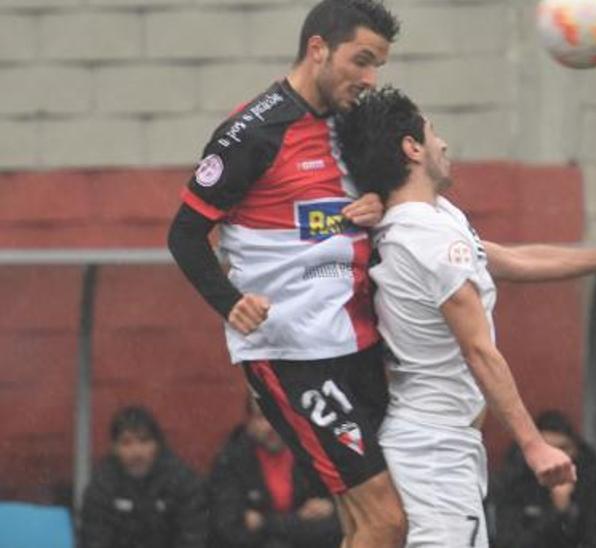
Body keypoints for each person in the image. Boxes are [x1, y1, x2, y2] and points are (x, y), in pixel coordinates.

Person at [332, 85, 596, 546]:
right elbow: (478, 349)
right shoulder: (429, 240)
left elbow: (509, 260)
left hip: (435, 443)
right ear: (411, 148)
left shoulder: (435, 220)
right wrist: (534, 443)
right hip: (432, 449)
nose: (444, 144)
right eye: (433, 133)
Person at [165, 1, 406, 546]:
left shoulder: (353, 125)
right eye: (361, 61)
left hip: (359, 345)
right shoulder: (254, 131)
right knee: (389, 522)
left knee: (368, 523)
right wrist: (229, 302)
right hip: (293, 352)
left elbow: (389, 195)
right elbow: (183, 234)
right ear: (317, 49)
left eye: (378, 67)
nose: (369, 79)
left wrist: (376, 202)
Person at [208, 396, 342, 547]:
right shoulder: (231, 461)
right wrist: (299, 522)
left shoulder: (313, 456)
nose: (271, 426)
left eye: (279, 417)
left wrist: (265, 523)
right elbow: (229, 530)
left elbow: (336, 527)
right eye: (262, 417)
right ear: (249, 421)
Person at [79, 406, 208, 548]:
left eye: (144, 441)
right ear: (114, 448)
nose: (137, 452)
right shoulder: (102, 486)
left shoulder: (182, 482)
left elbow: (193, 538)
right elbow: (94, 539)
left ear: (157, 445)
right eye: (126, 442)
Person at [491, 411, 596, 548]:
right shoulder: (515, 481)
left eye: (563, 448)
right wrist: (556, 511)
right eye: (548, 448)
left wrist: (568, 510)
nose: (556, 457)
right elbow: (510, 541)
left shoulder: (587, 480)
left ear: (575, 450)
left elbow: (592, 538)